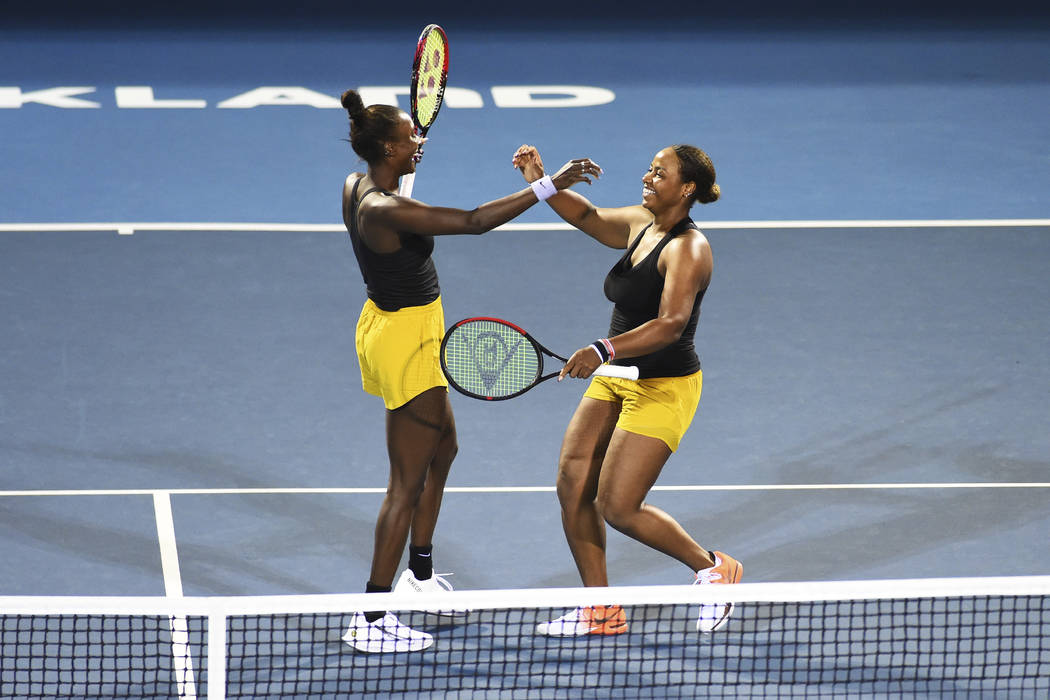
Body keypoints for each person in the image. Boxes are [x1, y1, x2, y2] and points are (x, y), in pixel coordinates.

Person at [337, 90, 601, 654]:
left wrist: (402, 166)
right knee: (404, 484)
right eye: (411, 138)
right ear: (387, 147)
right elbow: (475, 221)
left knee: (445, 448)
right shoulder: (382, 208)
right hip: (405, 341)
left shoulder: (359, 186)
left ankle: (421, 575)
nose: (419, 142)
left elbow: (411, 219)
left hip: (400, 327)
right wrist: (550, 183)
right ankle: (373, 615)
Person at [511, 143, 742, 636]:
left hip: (663, 385)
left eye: (660, 174)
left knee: (617, 505)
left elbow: (671, 324)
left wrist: (602, 349)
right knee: (573, 486)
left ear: (687, 189)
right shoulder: (641, 222)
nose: (648, 177)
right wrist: (543, 179)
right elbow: (589, 216)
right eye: (650, 169)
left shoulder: (689, 248)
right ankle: (602, 609)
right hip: (617, 373)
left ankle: (713, 568)